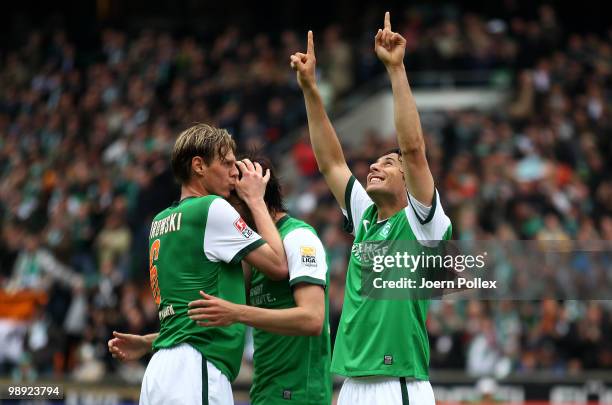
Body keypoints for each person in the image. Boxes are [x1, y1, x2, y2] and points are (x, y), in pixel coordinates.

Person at [290, 13, 452, 405]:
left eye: (387, 163)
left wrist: (395, 69)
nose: (375, 166)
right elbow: (331, 162)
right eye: (374, 162)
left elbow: (413, 150)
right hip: (352, 384)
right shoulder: (364, 216)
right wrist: (311, 89)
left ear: (406, 179)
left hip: (398, 384)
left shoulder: (422, 222)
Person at [110, 156, 332, 405]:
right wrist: (151, 341)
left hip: (299, 394)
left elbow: (313, 319)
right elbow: (216, 316)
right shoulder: (253, 255)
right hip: (264, 393)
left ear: (254, 196)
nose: (226, 211)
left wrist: (237, 312)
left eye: (231, 202)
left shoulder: (298, 238)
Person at [135, 123, 288, 405]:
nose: (234, 171)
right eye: (227, 163)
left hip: (160, 369)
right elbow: (278, 265)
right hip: (197, 368)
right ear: (199, 166)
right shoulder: (211, 208)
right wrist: (255, 200)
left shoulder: (159, 221)